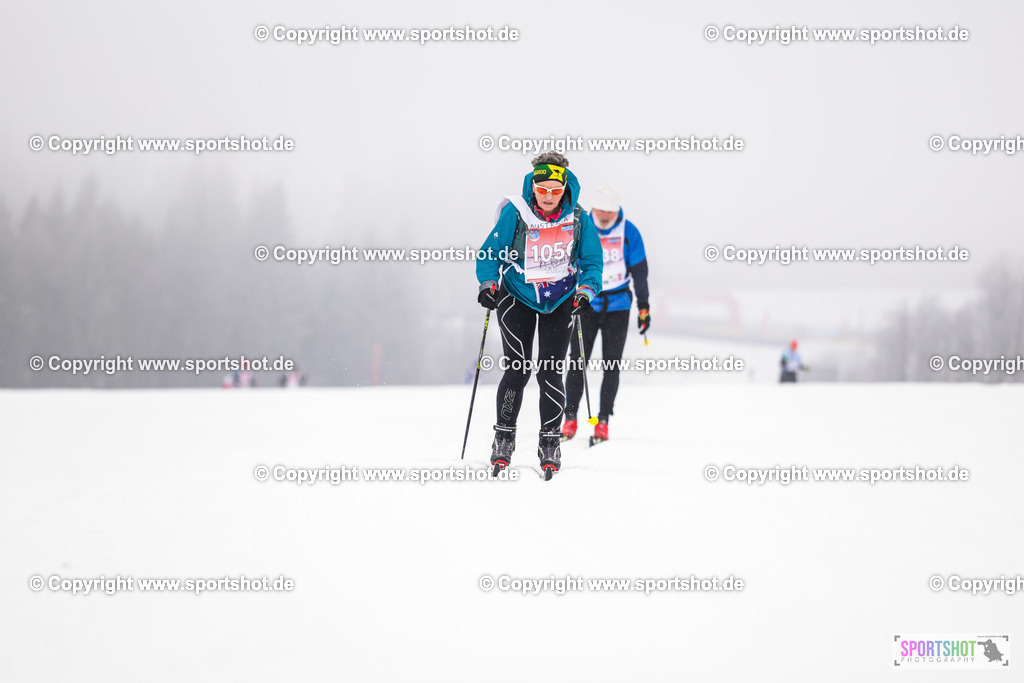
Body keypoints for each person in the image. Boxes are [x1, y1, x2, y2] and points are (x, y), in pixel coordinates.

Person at [476, 152, 603, 478]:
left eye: (555, 191)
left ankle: (550, 441)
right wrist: (488, 284)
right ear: (533, 187)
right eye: (542, 189)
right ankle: (504, 438)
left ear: (565, 189)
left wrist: (585, 292)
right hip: (517, 296)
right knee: (517, 369)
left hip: (560, 300)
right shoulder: (516, 212)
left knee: (550, 372)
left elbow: (592, 262)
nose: (548, 197)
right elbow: (490, 253)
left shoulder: (579, 218)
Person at [562, 186, 650, 444]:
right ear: (592, 208)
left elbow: (640, 272)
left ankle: (602, 421)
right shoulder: (581, 226)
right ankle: (570, 418)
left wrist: (644, 307)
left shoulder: (629, 232)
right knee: (577, 362)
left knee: (611, 365)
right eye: (600, 211)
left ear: (617, 211)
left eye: (609, 212)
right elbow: (566, 264)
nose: (604, 216)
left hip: (618, 306)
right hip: (586, 304)